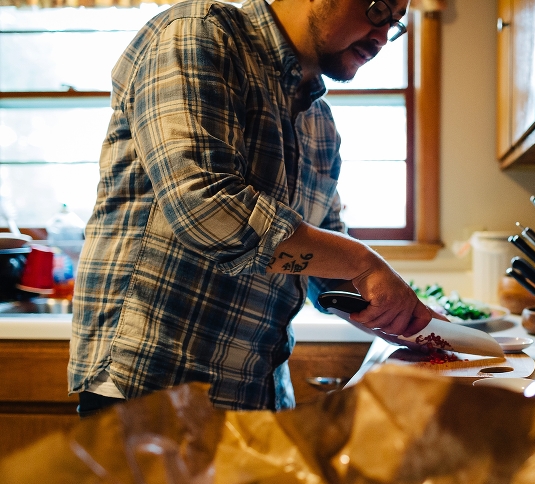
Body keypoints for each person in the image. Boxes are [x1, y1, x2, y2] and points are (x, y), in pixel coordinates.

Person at [68, 0, 441, 416]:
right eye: (377, 10)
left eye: (394, 24)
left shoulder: (321, 125)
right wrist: (364, 264)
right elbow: (205, 208)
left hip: (258, 396)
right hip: (153, 390)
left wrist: (398, 310)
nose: (382, 38)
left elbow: (324, 257)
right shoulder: (199, 33)